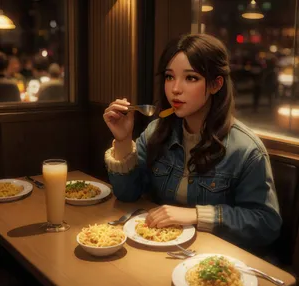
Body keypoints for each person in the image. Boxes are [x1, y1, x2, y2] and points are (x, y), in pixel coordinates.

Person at [103, 33, 281, 250]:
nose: (175, 89)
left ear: (216, 84)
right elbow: (127, 194)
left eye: (191, 78)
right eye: (169, 77)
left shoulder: (246, 149)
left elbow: (266, 224)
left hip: (215, 262)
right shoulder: (155, 132)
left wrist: (197, 215)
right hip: (162, 248)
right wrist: (122, 139)